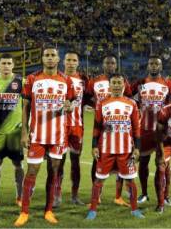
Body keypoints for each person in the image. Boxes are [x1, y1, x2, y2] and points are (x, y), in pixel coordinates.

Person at [14, 47, 75, 227]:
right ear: (42, 58)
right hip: (37, 135)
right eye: (46, 55)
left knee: (54, 171)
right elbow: (25, 107)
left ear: (58, 59)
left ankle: (48, 210)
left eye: (53, 55)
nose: (49, 58)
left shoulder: (66, 81)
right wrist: (24, 132)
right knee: (32, 171)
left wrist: (69, 106)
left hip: (58, 135)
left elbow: (70, 104)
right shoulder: (32, 79)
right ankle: (24, 211)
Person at [86, 73, 144, 220]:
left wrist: (137, 148)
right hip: (106, 150)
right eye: (114, 83)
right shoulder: (102, 104)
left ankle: (134, 209)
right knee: (99, 180)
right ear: (109, 86)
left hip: (126, 151)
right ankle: (93, 209)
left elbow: (136, 128)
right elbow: (97, 127)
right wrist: (94, 146)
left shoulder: (132, 104)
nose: (117, 86)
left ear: (124, 86)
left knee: (130, 180)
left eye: (120, 83)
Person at [131, 55, 171, 204]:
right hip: (144, 129)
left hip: (162, 131)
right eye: (151, 63)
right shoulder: (139, 84)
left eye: (156, 64)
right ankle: (144, 194)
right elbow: (128, 99)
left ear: (161, 67)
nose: (153, 66)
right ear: (147, 66)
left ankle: (166, 196)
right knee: (143, 163)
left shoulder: (169, 84)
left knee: (164, 164)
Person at [88, 55, 132, 206]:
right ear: (103, 64)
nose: (110, 65)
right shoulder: (95, 81)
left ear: (116, 64)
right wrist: (95, 107)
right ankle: (97, 196)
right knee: (97, 161)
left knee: (121, 163)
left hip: (120, 127)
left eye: (113, 62)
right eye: (107, 62)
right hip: (102, 126)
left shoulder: (123, 80)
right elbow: (86, 97)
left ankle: (118, 196)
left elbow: (130, 99)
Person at [50, 51, 90, 207]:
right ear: (63, 62)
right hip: (59, 126)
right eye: (68, 60)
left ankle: (75, 195)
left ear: (78, 63)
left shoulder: (83, 80)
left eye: (74, 60)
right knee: (58, 161)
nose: (71, 63)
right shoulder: (58, 78)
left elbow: (89, 97)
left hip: (77, 126)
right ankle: (57, 195)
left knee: (75, 162)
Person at [0, 54, 24, 208]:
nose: (6, 66)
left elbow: (28, 105)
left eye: (9, 63)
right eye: (4, 63)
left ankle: (20, 197)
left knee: (18, 165)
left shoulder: (21, 82)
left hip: (16, 133)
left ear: (13, 65)